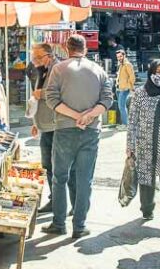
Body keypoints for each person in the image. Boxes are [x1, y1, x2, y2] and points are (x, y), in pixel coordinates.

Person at [43, 34, 114, 239]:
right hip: (91, 130)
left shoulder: (58, 69)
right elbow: (108, 99)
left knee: (59, 178)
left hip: (65, 128)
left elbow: (51, 98)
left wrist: (75, 116)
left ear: (67, 48)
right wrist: (88, 116)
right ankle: (80, 225)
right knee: (84, 179)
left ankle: (59, 223)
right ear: (85, 48)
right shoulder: (99, 70)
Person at [127, 60, 160, 231]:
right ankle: (147, 209)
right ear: (151, 72)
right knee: (146, 180)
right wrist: (130, 146)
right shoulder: (139, 94)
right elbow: (132, 122)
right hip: (145, 144)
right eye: (158, 71)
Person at [29, 44, 60, 213]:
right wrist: (35, 122)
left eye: (37, 58)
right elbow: (37, 96)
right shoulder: (43, 70)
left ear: (48, 56)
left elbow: (61, 93)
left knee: (56, 166)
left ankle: (59, 201)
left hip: (55, 125)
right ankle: (55, 199)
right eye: (33, 58)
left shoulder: (58, 69)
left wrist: (43, 94)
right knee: (47, 164)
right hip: (45, 125)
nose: (34, 62)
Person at [115, 49, 136, 127]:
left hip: (124, 89)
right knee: (121, 106)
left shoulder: (127, 64)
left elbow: (132, 77)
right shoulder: (121, 65)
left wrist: (130, 87)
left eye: (120, 56)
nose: (119, 58)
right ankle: (124, 123)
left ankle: (125, 124)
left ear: (124, 55)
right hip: (119, 88)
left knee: (122, 107)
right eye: (118, 57)